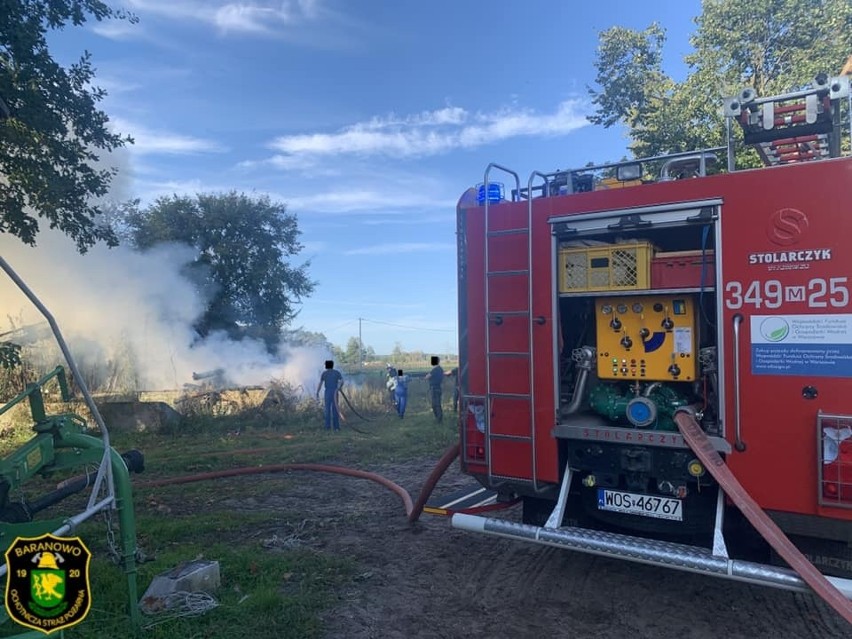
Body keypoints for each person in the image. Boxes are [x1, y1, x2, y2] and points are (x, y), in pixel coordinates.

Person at [315, 360, 343, 431]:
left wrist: (317, 392)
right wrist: (339, 387)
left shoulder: (324, 373)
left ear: (327, 366)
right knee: (335, 409)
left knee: (327, 410)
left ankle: (327, 427)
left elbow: (320, 383)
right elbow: (342, 381)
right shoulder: (337, 372)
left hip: (328, 392)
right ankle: (336, 427)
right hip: (335, 392)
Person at [426, 356, 444, 423]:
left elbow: (427, 377)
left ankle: (439, 419)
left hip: (434, 388)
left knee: (435, 405)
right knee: (437, 404)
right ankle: (439, 418)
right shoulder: (440, 369)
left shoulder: (435, 369)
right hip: (438, 388)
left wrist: (426, 376)